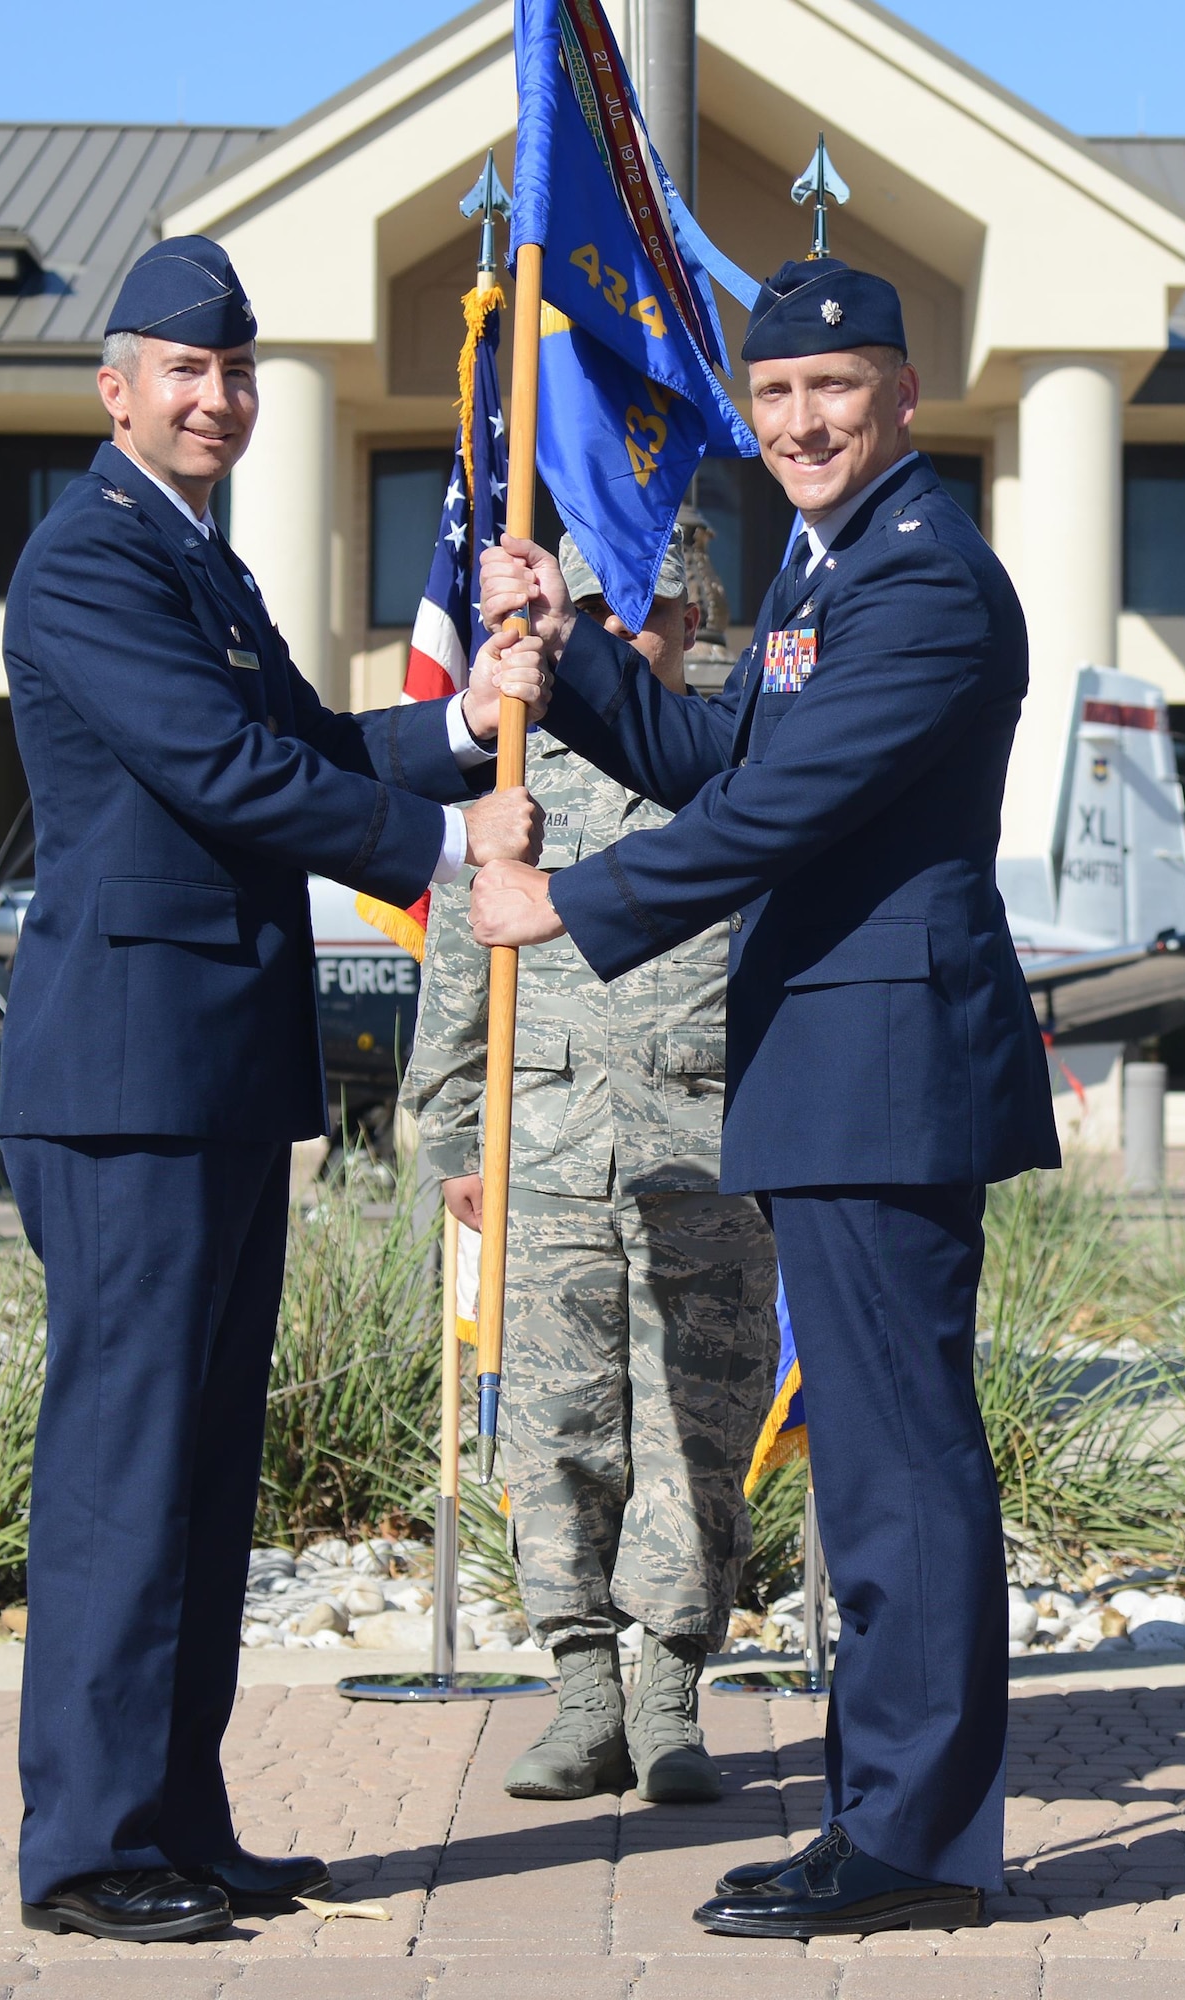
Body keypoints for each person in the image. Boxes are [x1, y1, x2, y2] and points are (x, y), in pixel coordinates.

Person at [471, 256, 1060, 1939]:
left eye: (837, 391)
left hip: (884, 1074)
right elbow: (719, 757)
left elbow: (773, 821)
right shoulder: (832, 571)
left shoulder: (928, 580)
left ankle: (922, 1842)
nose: (802, 421)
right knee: (873, 1464)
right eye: (780, 396)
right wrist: (571, 653)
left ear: (902, 398)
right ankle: (885, 1812)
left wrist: (566, 906)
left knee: (902, 1469)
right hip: (833, 1068)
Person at [0, 234, 549, 1945]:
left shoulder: (202, 566)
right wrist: (454, 839)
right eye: (188, 371)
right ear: (120, 390)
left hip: (218, 1072)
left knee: (203, 1464)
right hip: (127, 1079)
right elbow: (220, 772)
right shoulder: (90, 561)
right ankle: (88, 1848)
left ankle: (179, 1819)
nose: (220, 397)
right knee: (125, 1466)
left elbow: (305, 739)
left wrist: (474, 729)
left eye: (235, 373)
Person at [401, 527, 777, 1807]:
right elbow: (455, 995)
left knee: (696, 1431)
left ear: (690, 615)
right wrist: (456, 1145)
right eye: (596, 611)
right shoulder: (515, 776)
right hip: (545, 1165)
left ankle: (672, 1699)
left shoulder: (731, 775)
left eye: (646, 612)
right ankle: (580, 1698)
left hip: (708, 1163)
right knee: (553, 1436)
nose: (619, 636)